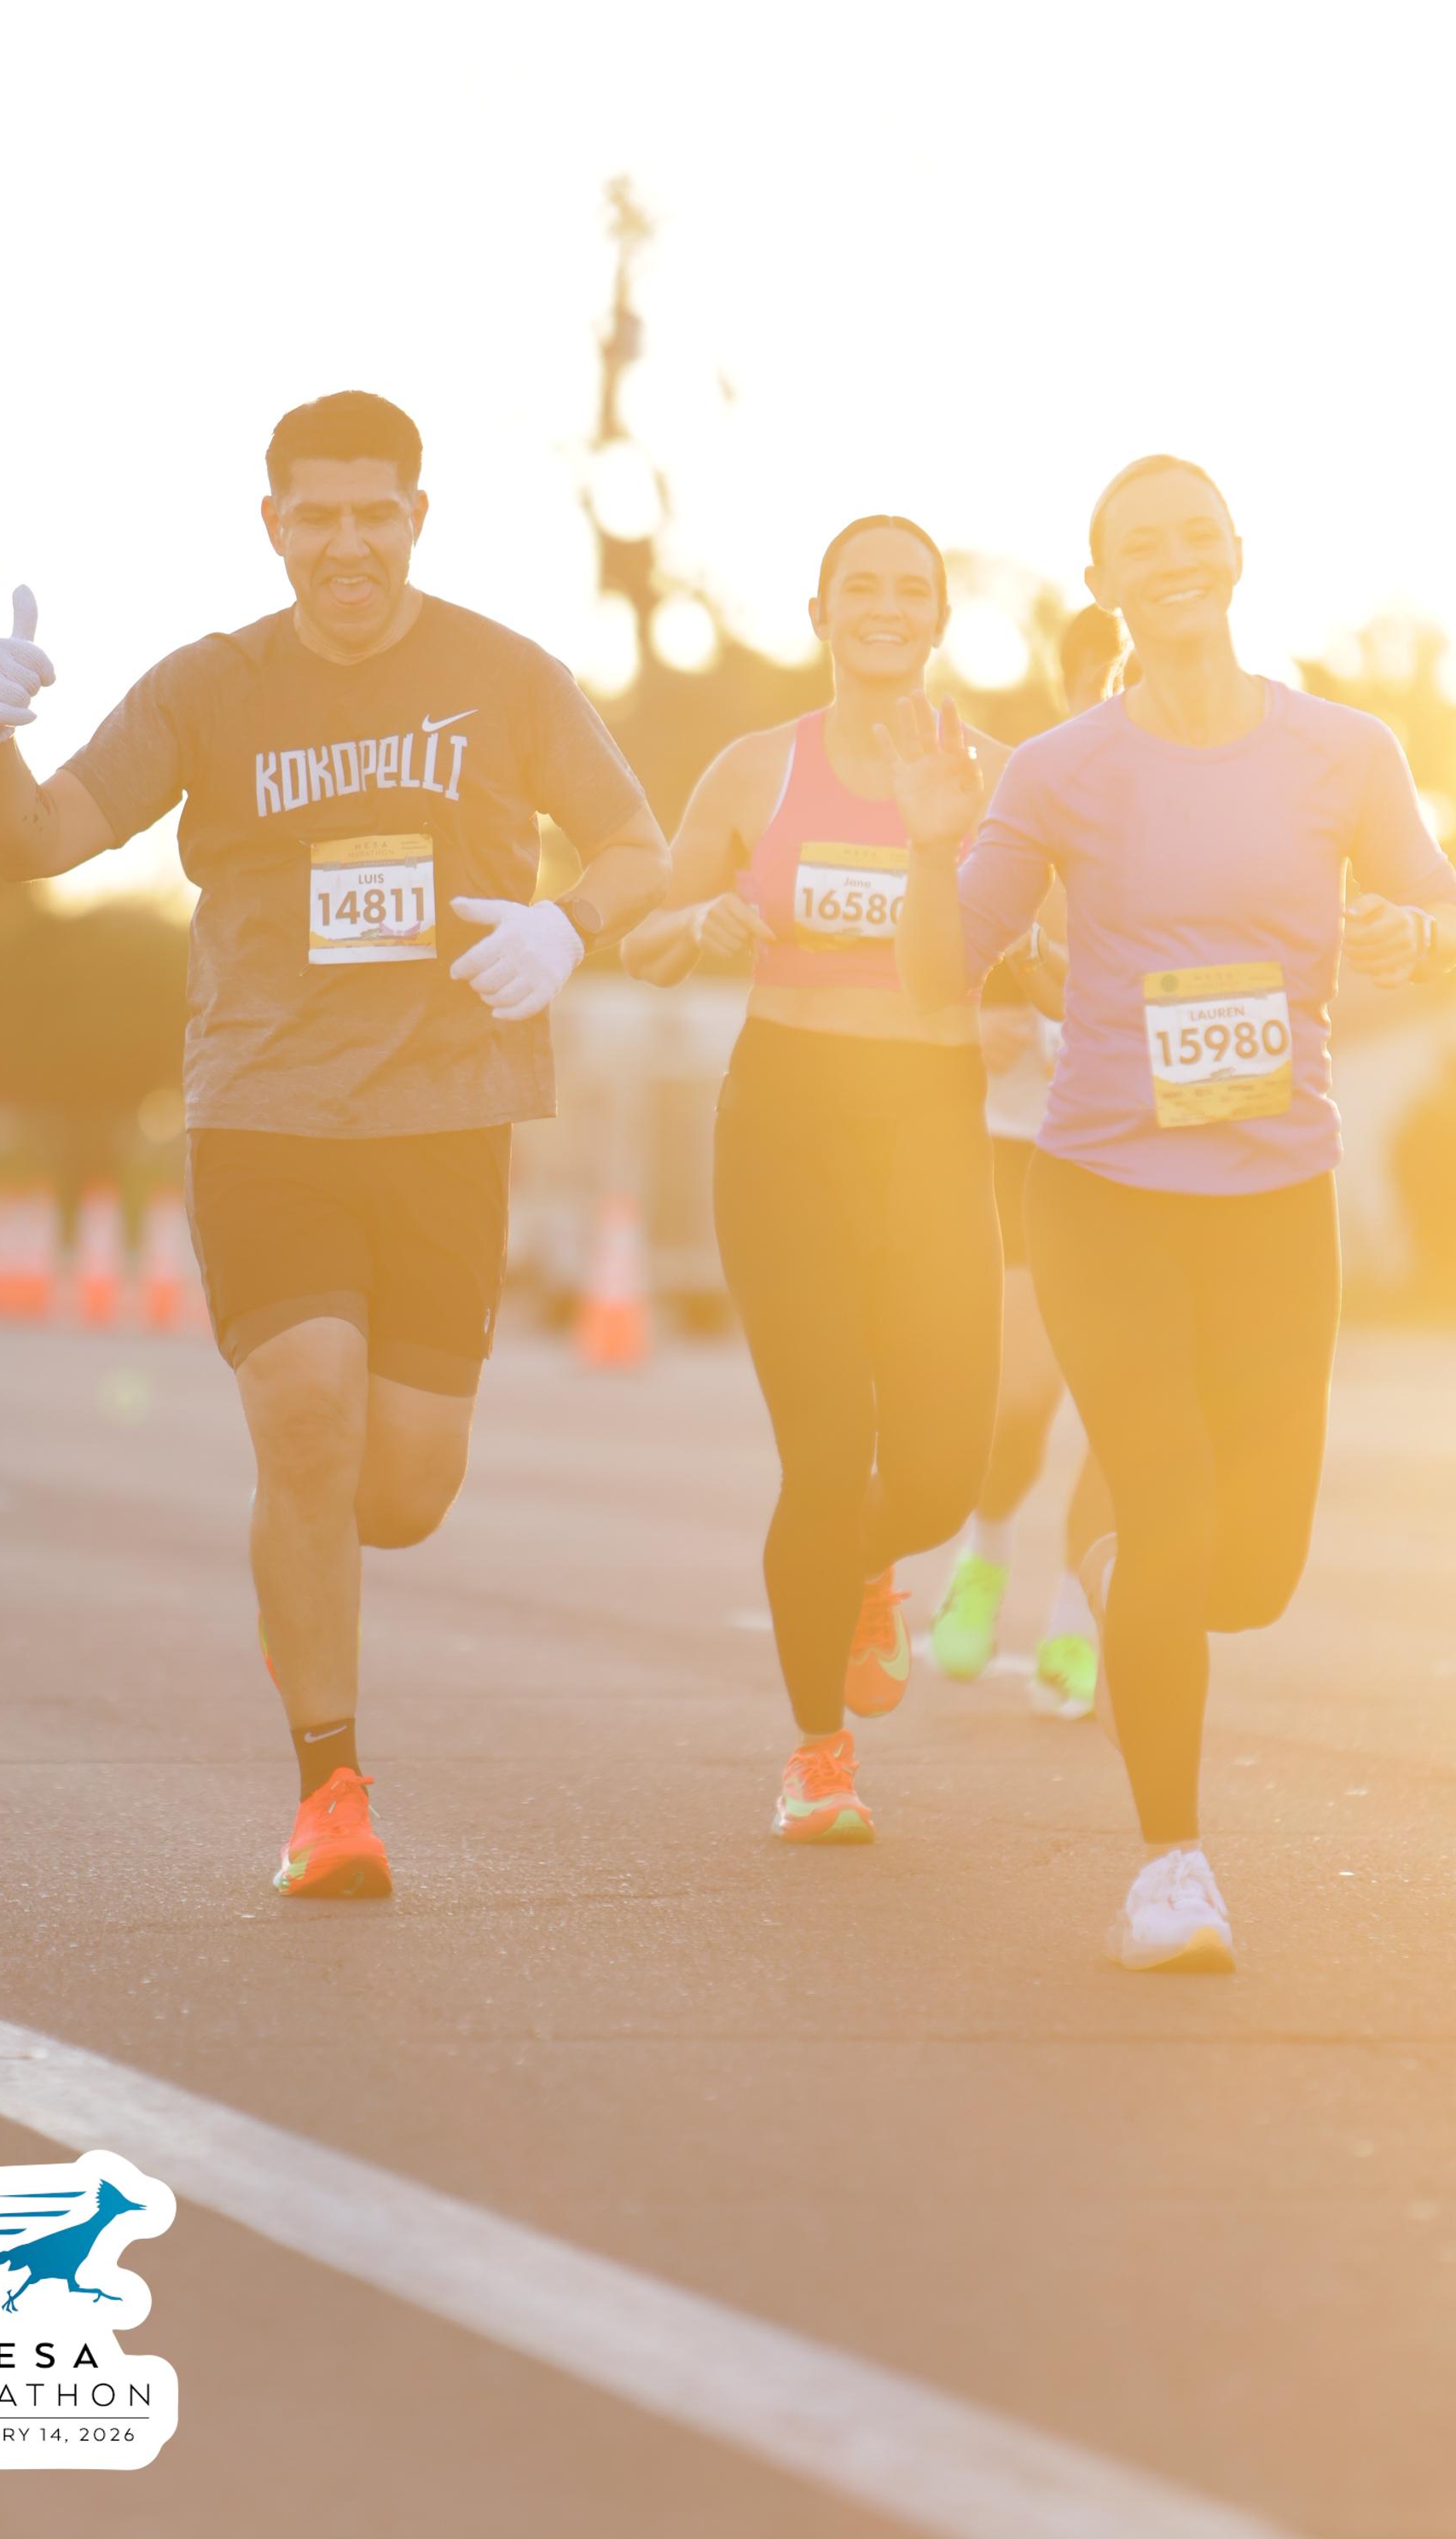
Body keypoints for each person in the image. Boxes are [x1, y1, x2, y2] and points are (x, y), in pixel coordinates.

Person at [0, 392, 668, 1902]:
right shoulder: (210, 686)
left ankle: (304, 1555)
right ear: (272, 524)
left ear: (417, 516)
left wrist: (568, 923)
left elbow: (637, 843)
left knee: (398, 1493)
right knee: (304, 1420)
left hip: (448, 1113)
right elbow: (32, 844)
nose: (347, 542)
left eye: (373, 512)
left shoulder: (507, 674)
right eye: (317, 515)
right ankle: (328, 1792)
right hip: (265, 1110)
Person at [890, 454, 1456, 1969]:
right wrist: (934, 842)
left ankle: (1106, 1576)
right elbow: (940, 969)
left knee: (1248, 1574)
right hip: (1103, 1195)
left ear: (1237, 553)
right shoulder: (1055, 769)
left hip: (1276, 1199)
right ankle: (1170, 1868)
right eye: (1140, 545)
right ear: (1101, 582)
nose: (1174, 559)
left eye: (1195, 534)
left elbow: (1435, 900)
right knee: (1170, 1503)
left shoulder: (1343, 750)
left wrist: (1409, 931)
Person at [624, 516, 1007, 1846]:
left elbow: (1044, 950)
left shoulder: (996, 776)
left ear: (941, 617)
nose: (886, 607)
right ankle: (817, 1753)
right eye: (862, 588)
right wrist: (702, 919)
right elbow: (645, 940)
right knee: (828, 1449)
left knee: (944, 1473)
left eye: (912, 590)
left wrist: (1022, 961)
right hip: (785, 1116)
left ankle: (867, 1566)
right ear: (821, 612)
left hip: (931, 1116)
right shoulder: (754, 770)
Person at [928, 608, 1117, 1717]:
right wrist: (974, 1018)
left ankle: (1080, 1615)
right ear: (1074, 686)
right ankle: (986, 1542)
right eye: (1107, 682)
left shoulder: (1204, 816)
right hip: (1023, 1146)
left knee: (1125, 1403)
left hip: (1141, 1154)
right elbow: (934, 949)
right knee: (1023, 1399)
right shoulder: (1025, 804)